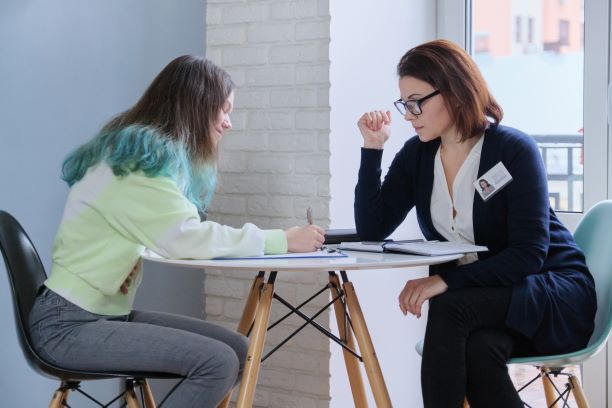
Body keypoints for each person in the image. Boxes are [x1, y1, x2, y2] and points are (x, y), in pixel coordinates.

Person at [28, 55, 325, 408]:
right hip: (68, 325)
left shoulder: (137, 153)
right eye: (224, 109)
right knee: (217, 362)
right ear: (199, 106)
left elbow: (169, 233)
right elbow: (185, 238)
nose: (229, 123)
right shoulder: (138, 163)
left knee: (238, 349)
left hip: (95, 313)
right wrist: (281, 240)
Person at [354, 40, 596, 408]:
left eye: (417, 101)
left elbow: (529, 254)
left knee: (450, 304)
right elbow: (373, 230)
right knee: (481, 352)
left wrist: (445, 280)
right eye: (405, 104)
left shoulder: (512, 150)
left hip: (550, 291)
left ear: (453, 91)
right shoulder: (419, 155)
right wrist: (372, 150)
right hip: (490, 303)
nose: (409, 114)